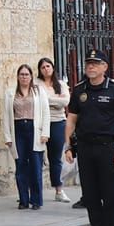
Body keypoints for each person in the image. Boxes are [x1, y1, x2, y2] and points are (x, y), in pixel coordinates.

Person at [65, 49, 114, 226]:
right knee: (91, 197)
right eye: (88, 63)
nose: (91, 67)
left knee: (109, 196)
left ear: (104, 67)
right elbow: (71, 119)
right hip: (85, 148)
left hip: (108, 148)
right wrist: (68, 146)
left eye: (95, 63)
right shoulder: (79, 90)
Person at [4, 63, 49, 210]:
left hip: (34, 130)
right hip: (18, 130)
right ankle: (23, 200)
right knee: (21, 166)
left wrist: (45, 133)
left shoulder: (39, 91)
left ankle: (36, 200)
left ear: (31, 76)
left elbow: (46, 112)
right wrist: (8, 137)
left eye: (27, 74)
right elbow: (6, 116)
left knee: (35, 166)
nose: (24, 77)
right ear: (17, 76)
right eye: (21, 74)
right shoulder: (11, 93)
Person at [38, 58, 71, 204]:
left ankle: (59, 190)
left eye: (48, 66)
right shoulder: (36, 84)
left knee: (56, 159)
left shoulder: (61, 84)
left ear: (52, 67)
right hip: (40, 124)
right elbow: (38, 102)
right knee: (36, 158)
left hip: (58, 123)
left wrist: (48, 99)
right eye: (43, 67)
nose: (46, 69)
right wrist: (55, 99)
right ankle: (34, 190)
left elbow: (65, 102)